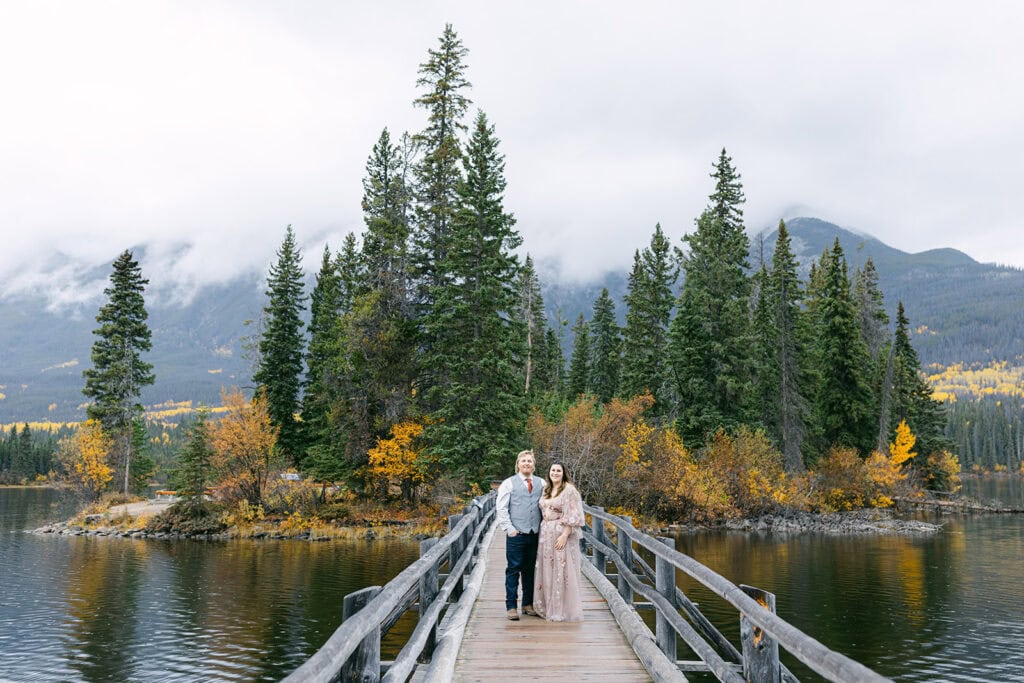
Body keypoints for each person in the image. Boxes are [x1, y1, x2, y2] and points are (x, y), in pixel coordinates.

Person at [495, 449, 545, 620]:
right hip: (516, 534)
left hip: (535, 533)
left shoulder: (542, 483)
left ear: (534, 465)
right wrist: (509, 529)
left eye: (529, 461)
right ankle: (511, 606)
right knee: (513, 569)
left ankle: (528, 604)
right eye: (523, 461)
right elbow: (501, 508)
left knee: (531, 570)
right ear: (517, 464)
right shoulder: (509, 483)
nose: (526, 463)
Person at [533, 462, 585, 621]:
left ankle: (561, 609)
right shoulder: (547, 489)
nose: (555, 473)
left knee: (561, 569)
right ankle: (548, 606)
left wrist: (564, 535)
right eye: (553, 470)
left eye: (558, 470)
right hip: (545, 534)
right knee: (547, 568)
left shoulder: (569, 490)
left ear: (563, 473)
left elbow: (574, 516)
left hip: (560, 533)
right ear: (549, 473)